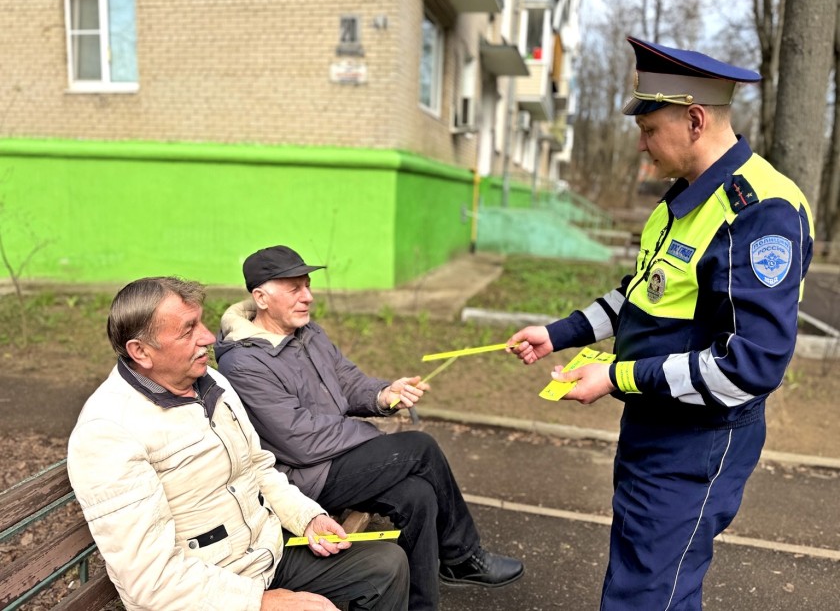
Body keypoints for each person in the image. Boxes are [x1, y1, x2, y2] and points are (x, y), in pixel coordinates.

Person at [508, 36, 814, 610]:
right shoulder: (685, 200)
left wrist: (618, 378)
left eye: (650, 131)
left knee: (649, 593)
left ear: (695, 119)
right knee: (642, 576)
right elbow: (641, 294)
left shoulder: (759, 212)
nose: (643, 147)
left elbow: (751, 367)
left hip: (696, 442)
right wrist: (560, 333)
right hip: (655, 427)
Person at [67, 277, 409, 611]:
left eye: (201, 322)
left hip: (265, 555)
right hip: (208, 588)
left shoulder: (211, 381)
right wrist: (260, 603)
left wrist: (307, 518)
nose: (206, 337)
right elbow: (150, 581)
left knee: (387, 564)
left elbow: (258, 466)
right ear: (140, 351)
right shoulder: (107, 433)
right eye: (188, 330)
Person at [214, 245, 524, 611]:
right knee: (419, 448)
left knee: (418, 496)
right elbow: (299, 440)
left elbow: (347, 381)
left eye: (308, 285)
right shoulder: (244, 362)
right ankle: (462, 556)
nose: (308, 296)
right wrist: (369, 435)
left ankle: (421, 604)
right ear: (261, 297)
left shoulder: (309, 332)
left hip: (344, 459)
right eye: (295, 288)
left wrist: (383, 394)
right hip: (308, 478)